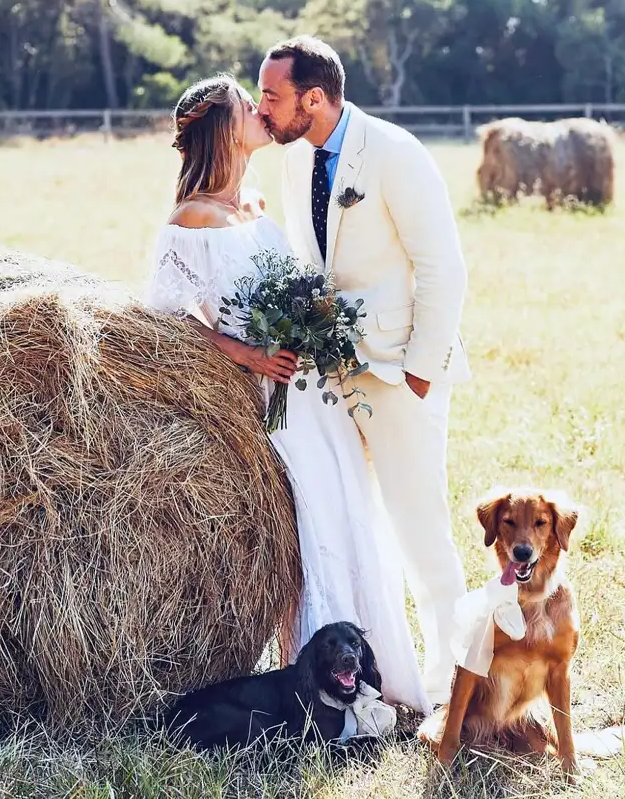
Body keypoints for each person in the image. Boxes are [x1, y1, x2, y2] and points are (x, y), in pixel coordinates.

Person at [146, 73, 429, 713]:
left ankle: (375, 680)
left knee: (351, 512)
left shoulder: (257, 204)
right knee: (313, 522)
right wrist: (244, 352)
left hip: (314, 392)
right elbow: (163, 314)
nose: (262, 112)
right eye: (251, 106)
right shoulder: (193, 218)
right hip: (268, 398)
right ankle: (317, 692)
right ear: (226, 127)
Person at [258, 36, 470, 705]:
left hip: (399, 374)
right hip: (329, 379)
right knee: (352, 524)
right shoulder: (296, 161)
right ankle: (375, 675)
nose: (263, 108)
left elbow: (443, 267)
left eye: (272, 95)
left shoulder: (396, 155)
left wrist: (421, 371)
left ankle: (452, 691)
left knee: (421, 533)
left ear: (313, 99)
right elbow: (311, 261)